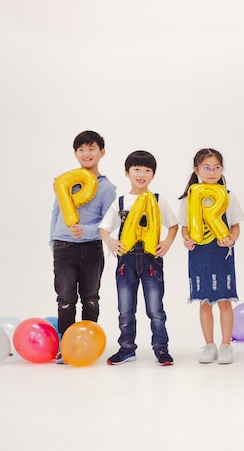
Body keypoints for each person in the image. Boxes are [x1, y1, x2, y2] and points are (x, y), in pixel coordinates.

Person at [99, 150, 178, 366]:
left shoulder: (158, 200)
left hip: (152, 260)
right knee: (125, 310)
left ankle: (161, 349)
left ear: (153, 175)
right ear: (127, 173)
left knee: (155, 309)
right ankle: (126, 349)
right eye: (136, 169)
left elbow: (173, 224)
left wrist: (168, 242)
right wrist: (111, 242)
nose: (141, 174)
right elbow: (104, 228)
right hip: (126, 262)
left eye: (147, 170)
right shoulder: (121, 202)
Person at [49, 130, 116, 364]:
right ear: (75, 153)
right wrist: (53, 241)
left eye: (92, 149)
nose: (86, 153)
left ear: (102, 152)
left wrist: (85, 231)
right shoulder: (65, 182)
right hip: (63, 247)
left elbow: (109, 223)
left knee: (90, 298)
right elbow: (56, 212)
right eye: (81, 149)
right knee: (65, 298)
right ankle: (64, 345)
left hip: (91, 248)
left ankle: (89, 343)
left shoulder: (107, 188)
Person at [178, 148, 244, 365]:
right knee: (205, 302)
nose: (212, 172)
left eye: (217, 167)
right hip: (199, 253)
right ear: (196, 170)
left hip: (221, 253)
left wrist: (231, 239)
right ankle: (209, 345)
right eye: (206, 168)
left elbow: (235, 226)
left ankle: (226, 345)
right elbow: (185, 228)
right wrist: (187, 239)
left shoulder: (228, 195)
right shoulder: (189, 198)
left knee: (225, 301)